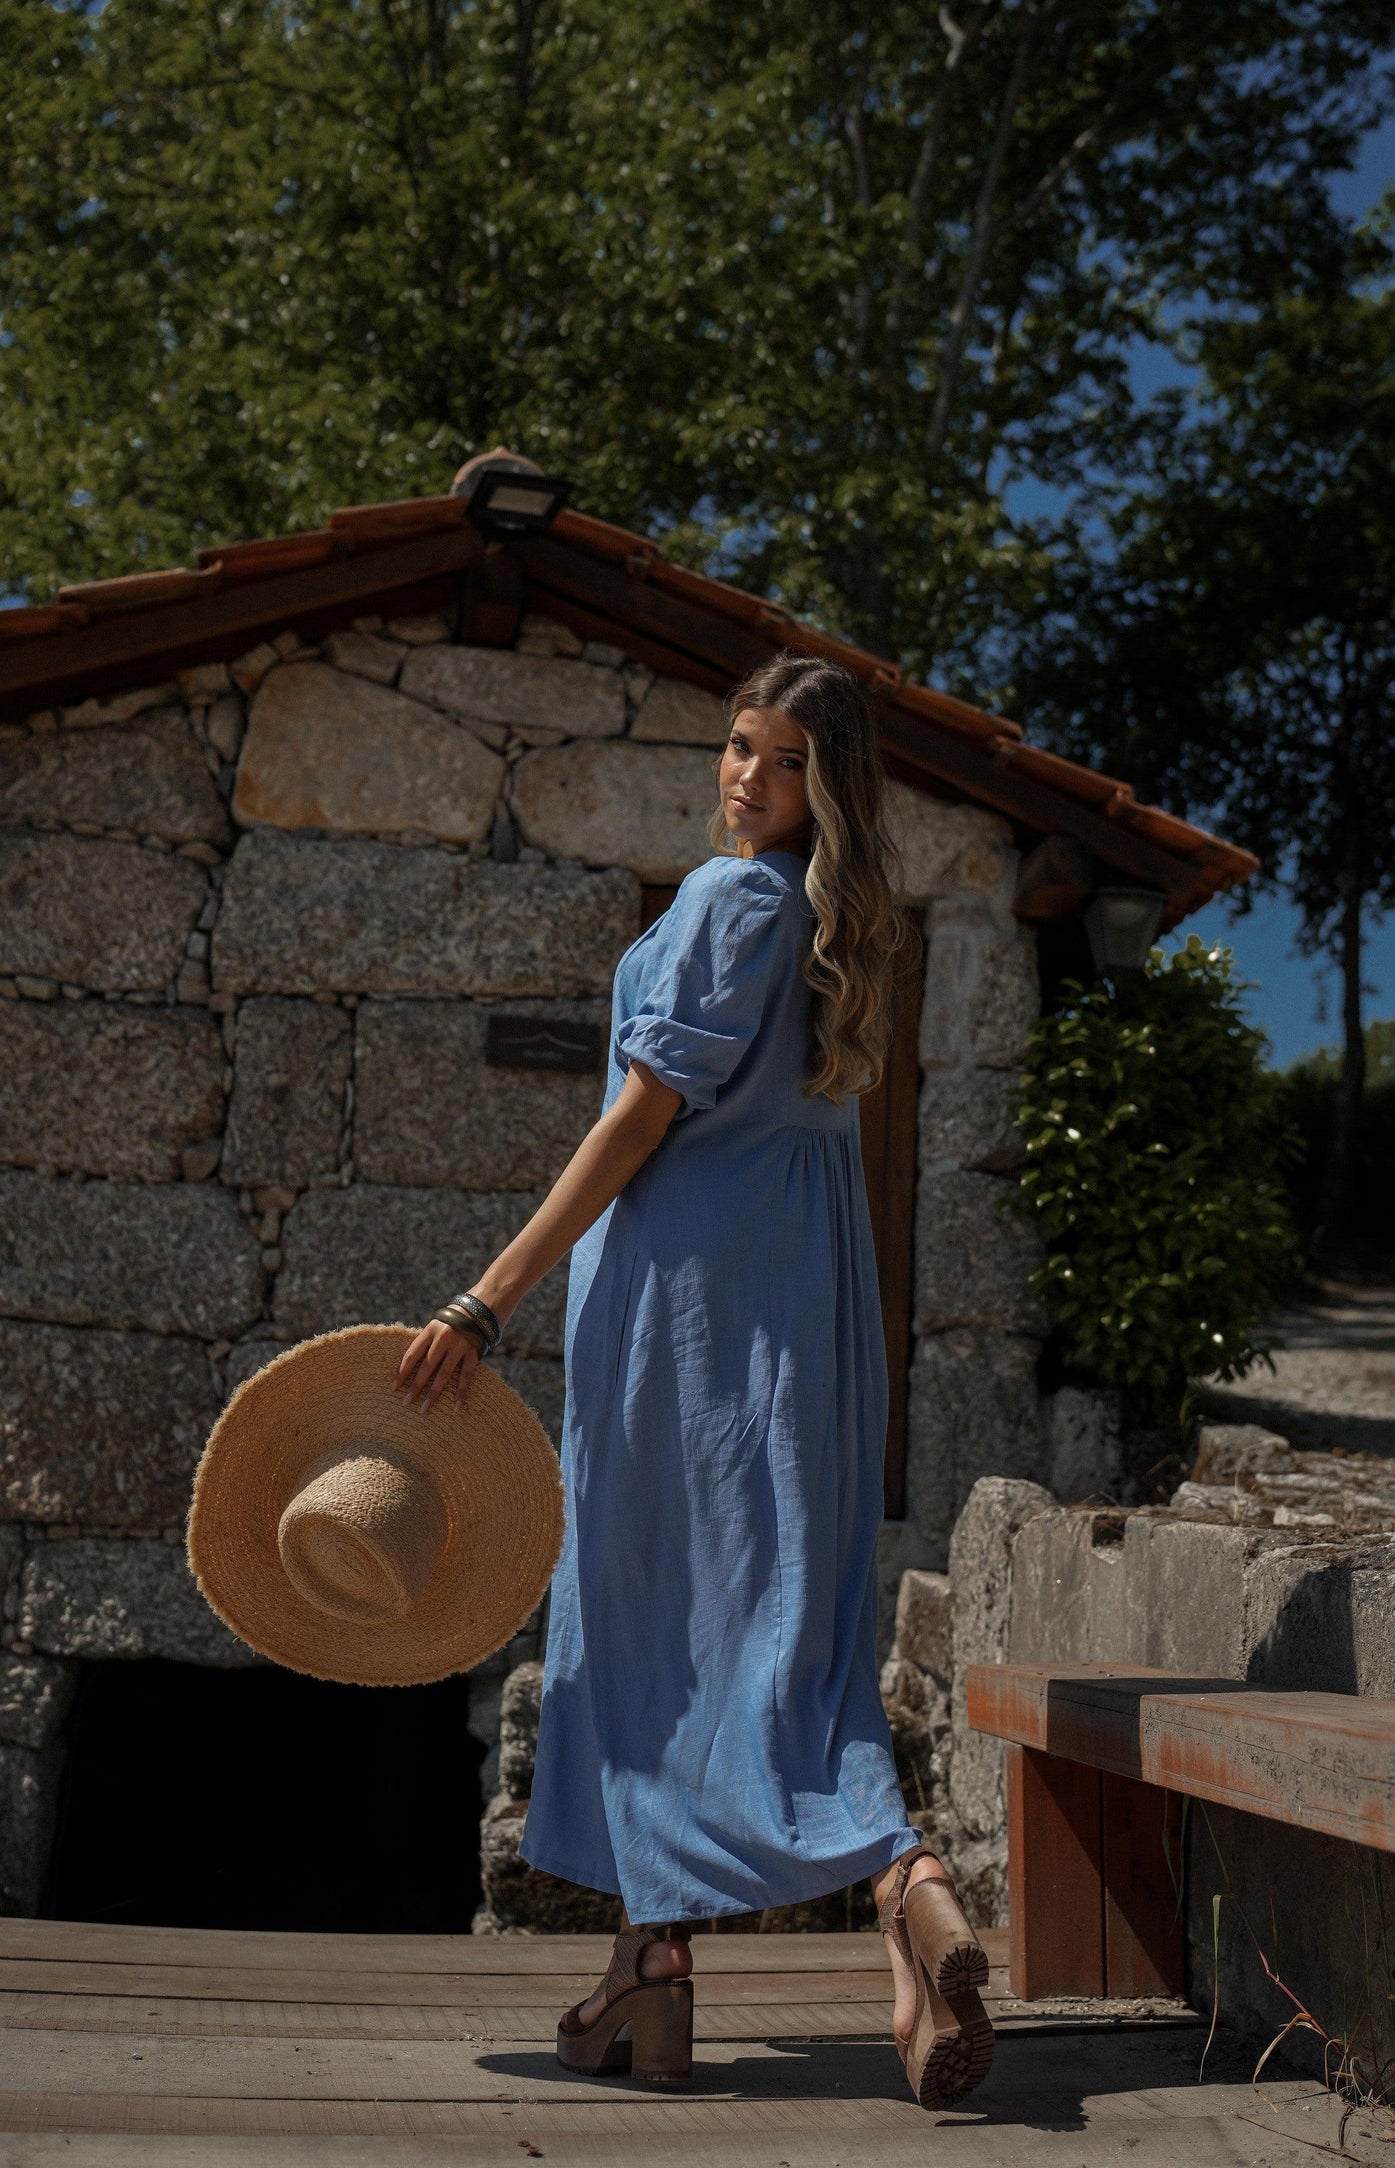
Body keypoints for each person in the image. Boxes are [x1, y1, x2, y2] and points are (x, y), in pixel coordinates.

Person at [397, 654, 993, 2109]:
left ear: (824, 790)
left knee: (649, 1623)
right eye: (736, 746)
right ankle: (689, 1963)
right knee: (752, 1622)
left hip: (688, 1324)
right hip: (795, 1310)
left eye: (783, 762)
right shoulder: (829, 921)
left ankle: (858, 1882)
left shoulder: (732, 903)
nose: (745, 777)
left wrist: (487, 1296)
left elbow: (634, 1123)